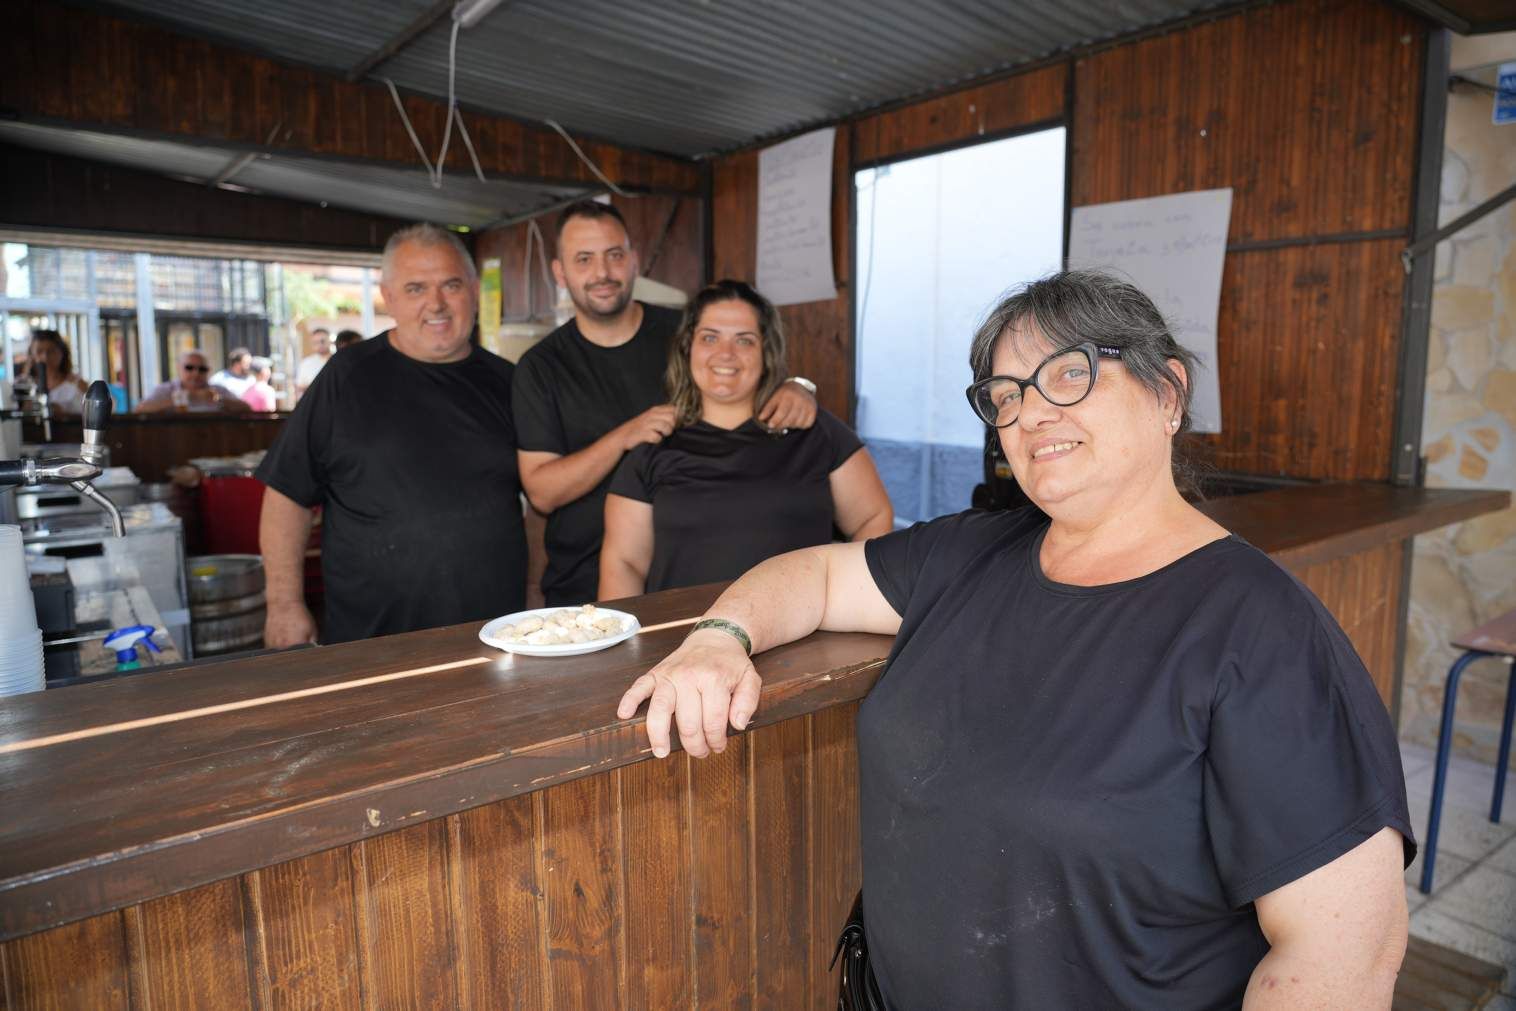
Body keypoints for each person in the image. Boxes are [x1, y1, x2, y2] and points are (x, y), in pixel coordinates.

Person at [618, 271, 1414, 1008]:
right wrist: (719, 637)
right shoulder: (972, 550)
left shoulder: (1260, 630)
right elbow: (818, 574)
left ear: (1168, 391)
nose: (1030, 413)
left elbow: (1344, 954)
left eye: (1068, 373)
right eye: (1005, 394)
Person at [513, 200, 820, 604]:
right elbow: (542, 492)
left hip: (693, 574)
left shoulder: (687, 335)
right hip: (583, 587)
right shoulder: (540, 367)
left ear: (634, 260)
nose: (602, 273)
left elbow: (756, 381)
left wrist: (800, 385)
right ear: (560, 272)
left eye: (614, 255)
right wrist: (625, 436)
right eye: (584, 259)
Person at [256, 223, 527, 646]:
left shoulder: (510, 383)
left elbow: (543, 500)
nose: (436, 304)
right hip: (373, 640)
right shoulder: (346, 378)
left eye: (451, 284)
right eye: (416, 288)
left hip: (498, 635)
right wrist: (284, 604)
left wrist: (536, 593)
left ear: (473, 288)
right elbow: (286, 495)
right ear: (388, 295)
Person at [599, 280, 892, 598]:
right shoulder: (654, 444)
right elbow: (624, 563)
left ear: (766, 353)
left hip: (799, 639)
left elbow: (873, 517)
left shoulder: (814, 430)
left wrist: (848, 604)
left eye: (744, 341)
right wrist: (625, 645)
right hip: (685, 640)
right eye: (710, 338)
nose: (725, 354)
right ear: (688, 348)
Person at [135, 349, 250, 413]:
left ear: (208, 371)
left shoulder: (218, 390)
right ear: (179, 368)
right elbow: (140, 410)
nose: (196, 373)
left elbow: (247, 409)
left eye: (202, 369)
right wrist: (179, 399)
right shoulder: (166, 390)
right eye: (189, 368)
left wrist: (219, 400)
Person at [26, 329, 88, 415]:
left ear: (62, 353)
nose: (45, 357)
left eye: (51, 351)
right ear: (32, 355)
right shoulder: (25, 386)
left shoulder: (78, 385)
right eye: (39, 351)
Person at [294, 328, 333, 398]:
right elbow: (299, 387)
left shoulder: (337, 361)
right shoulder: (306, 364)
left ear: (329, 341)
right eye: (316, 342)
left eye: (322, 341)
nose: (320, 345)